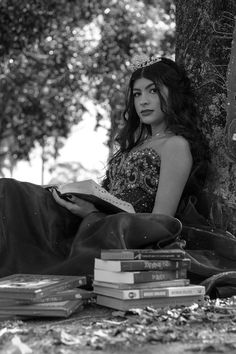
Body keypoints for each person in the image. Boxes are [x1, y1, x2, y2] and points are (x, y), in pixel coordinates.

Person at [1, 55, 235, 296]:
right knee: (11, 192)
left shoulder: (175, 145)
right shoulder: (134, 143)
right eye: (136, 94)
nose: (143, 101)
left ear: (173, 94)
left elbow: (161, 220)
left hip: (121, 232)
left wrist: (93, 215)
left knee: (14, 197)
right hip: (96, 221)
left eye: (152, 91)